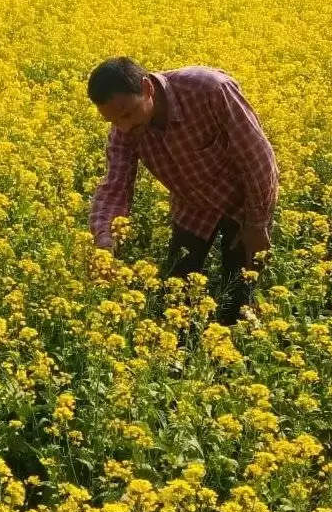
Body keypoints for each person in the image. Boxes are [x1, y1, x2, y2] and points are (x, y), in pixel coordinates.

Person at [87, 56, 279, 325]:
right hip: (193, 207)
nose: (124, 126)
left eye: (128, 113)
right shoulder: (124, 130)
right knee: (177, 291)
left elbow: (257, 158)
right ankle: (181, 354)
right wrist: (104, 242)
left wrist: (257, 225)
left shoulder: (210, 90)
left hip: (244, 203)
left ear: (147, 88)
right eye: (113, 120)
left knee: (239, 291)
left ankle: (234, 351)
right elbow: (115, 185)